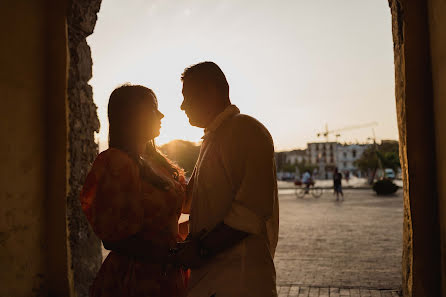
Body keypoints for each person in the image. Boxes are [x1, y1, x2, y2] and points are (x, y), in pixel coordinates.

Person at [174, 61, 279, 297]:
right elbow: (190, 203)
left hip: (239, 279)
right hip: (213, 278)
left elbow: (250, 213)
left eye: (187, 97)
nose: (182, 106)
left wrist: (200, 250)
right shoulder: (213, 138)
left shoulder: (246, 130)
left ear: (210, 92)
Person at [79, 85, 188, 297]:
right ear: (132, 115)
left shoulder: (158, 163)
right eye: (153, 109)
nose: (161, 115)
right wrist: (173, 254)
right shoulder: (115, 162)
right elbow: (113, 239)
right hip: (135, 279)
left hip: (167, 273)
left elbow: (171, 217)